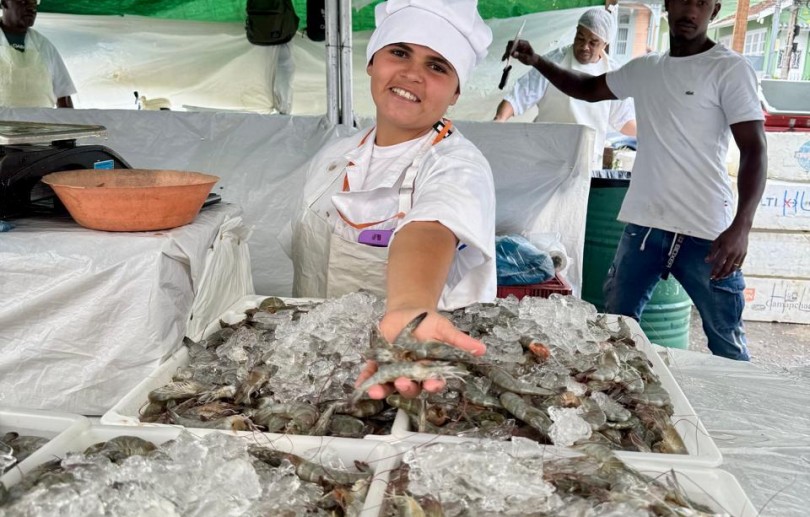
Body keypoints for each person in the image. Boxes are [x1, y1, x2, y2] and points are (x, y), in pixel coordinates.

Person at [504, 0, 767, 361]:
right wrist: (537, 61)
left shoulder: (729, 70)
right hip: (644, 227)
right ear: (668, 5)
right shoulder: (647, 69)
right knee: (617, 329)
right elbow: (587, 87)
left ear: (715, 10)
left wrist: (742, 226)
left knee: (726, 340)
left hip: (708, 231)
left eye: (701, 3)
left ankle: (737, 416)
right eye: (683, 1)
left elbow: (755, 150)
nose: (690, 11)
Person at [280, 0, 495, 396]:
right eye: (399, 52)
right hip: (314, 368)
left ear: (455, 92)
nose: (412, 74)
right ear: (371, 63)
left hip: (408, 367)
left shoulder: (458, 164)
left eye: (437, 66)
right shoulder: (333, 157)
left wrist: (409, 310)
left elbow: (429, 230)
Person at [494, 8, 636, 170]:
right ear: (575, 32)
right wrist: (499, 120)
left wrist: (653, 131)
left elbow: (623, 120)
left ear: (605, 43)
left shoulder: (612, 74)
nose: (584, 47)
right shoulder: (553, 62)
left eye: (593, 42)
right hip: (545, 156)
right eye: (580, 38)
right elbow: (518, 96)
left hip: (585, 163)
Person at [0, 0, 75, 108]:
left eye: (34, 2)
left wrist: (70, 123)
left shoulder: (44, 46)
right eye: (24, 1)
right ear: (4, 3)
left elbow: (64, 96)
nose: (32, 8)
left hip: (40, 124)